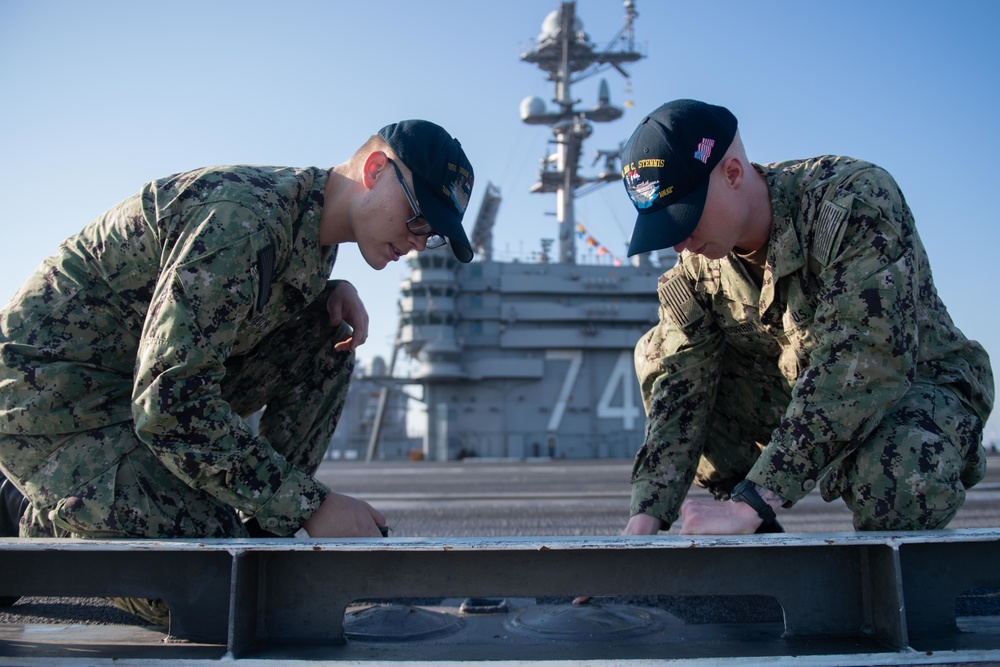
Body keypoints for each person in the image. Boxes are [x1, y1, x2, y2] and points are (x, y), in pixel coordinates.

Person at [0, 119, 475, 620]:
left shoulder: (309, 236)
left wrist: (326, 297)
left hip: (127, 389)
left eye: (434, 235)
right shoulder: (241, 220)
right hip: (52, 404)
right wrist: (310, 505)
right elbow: (169, 403)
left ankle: (255, 537)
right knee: (212, 591)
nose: (420, 241)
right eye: (419, 219)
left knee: (328, 335)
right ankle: (31, 510)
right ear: (376, 169)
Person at [618, 99, 993, 537]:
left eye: (684, 216)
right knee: (658, 351)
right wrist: (644, 519)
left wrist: (757, 498)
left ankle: (764, 515)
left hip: (911, 384)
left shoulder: (851, 202)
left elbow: (865, 362)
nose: (679, 243)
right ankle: (751, 536)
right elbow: (680, 388)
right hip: (797, 390)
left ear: (733, 174)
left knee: (898, 479)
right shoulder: (698, 270)